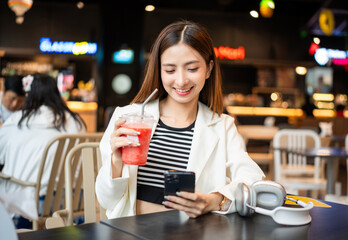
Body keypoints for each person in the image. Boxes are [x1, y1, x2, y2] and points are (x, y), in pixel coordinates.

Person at [95, 20, 264, 219]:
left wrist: (215, 200)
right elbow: (107, 201)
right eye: (170, 70)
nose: (181, 80)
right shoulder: (127, 118)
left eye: (192, 69)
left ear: (209, 69)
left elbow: (253, 181)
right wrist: (116, 161)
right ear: (159, 70)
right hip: (130, 230)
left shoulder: (222, 126)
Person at [0, 73, 86, 228]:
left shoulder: (17, 121)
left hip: (32, 206)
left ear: (29, 95)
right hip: (75, 201)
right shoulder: (76, 121)